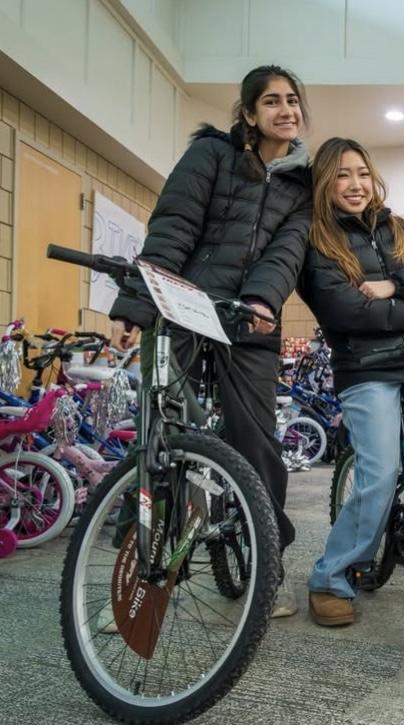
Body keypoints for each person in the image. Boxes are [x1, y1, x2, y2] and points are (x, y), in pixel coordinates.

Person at [109, 65, 313, 618]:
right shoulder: (211, 156)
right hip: (182, 310)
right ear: (249, 113)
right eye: (271, 101)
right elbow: (172, 228)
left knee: (258, 443)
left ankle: (266, 564)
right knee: (159, 438)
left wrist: (263, 300)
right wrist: (134, 305)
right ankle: (135, 572)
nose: (286, 110)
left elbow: (287, 253)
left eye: (292, 100)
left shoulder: (303, 184)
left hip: (249, 324)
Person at [298, 137, 404, 627]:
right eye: (342, 175)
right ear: (325, 182)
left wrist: (394, 286)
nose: (355, 184)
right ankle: (331, 577)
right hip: (367, 368)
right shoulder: (316, 240)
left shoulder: (399, 227)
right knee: (380, 473)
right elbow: (345, 310)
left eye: (362, 174)